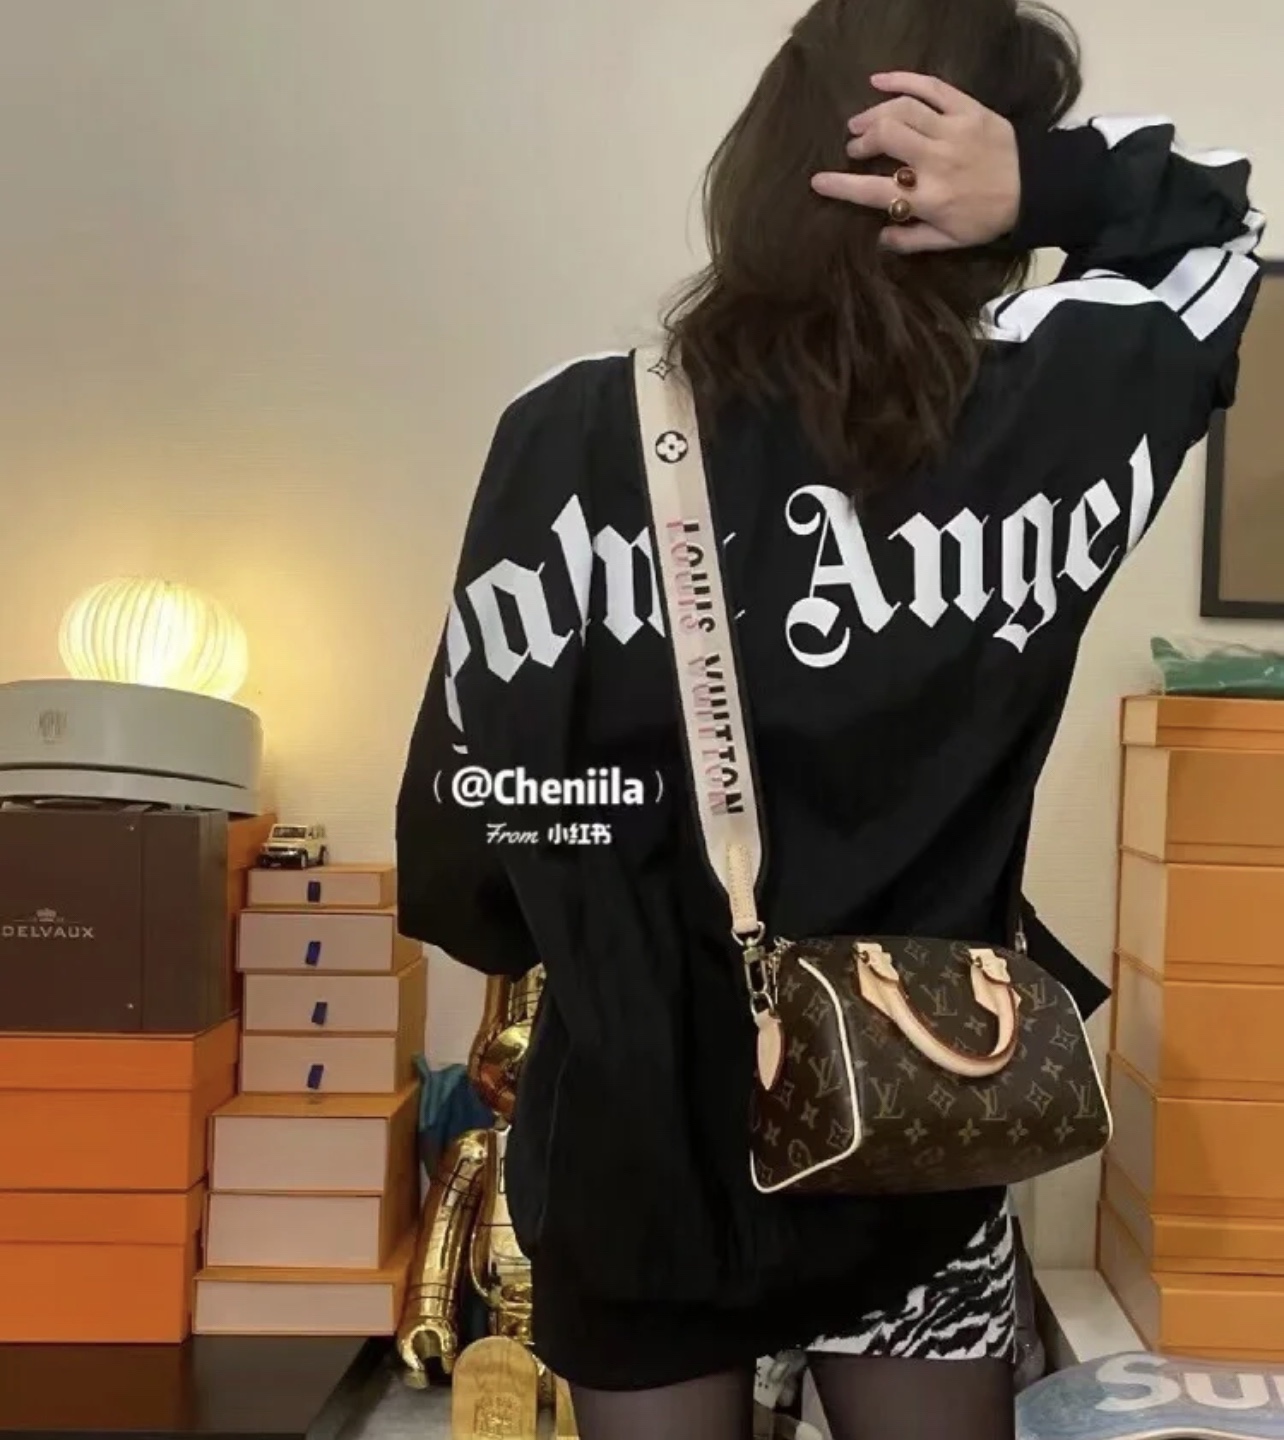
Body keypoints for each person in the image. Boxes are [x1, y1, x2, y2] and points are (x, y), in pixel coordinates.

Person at [396, 0, 1263, 1435]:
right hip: (913, 1143)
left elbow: (465, 859)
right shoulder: (1050, 408)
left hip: (638, 1165)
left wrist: (625, 889)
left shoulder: (573, 431)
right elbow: (1220, 233)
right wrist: (1050, 182)